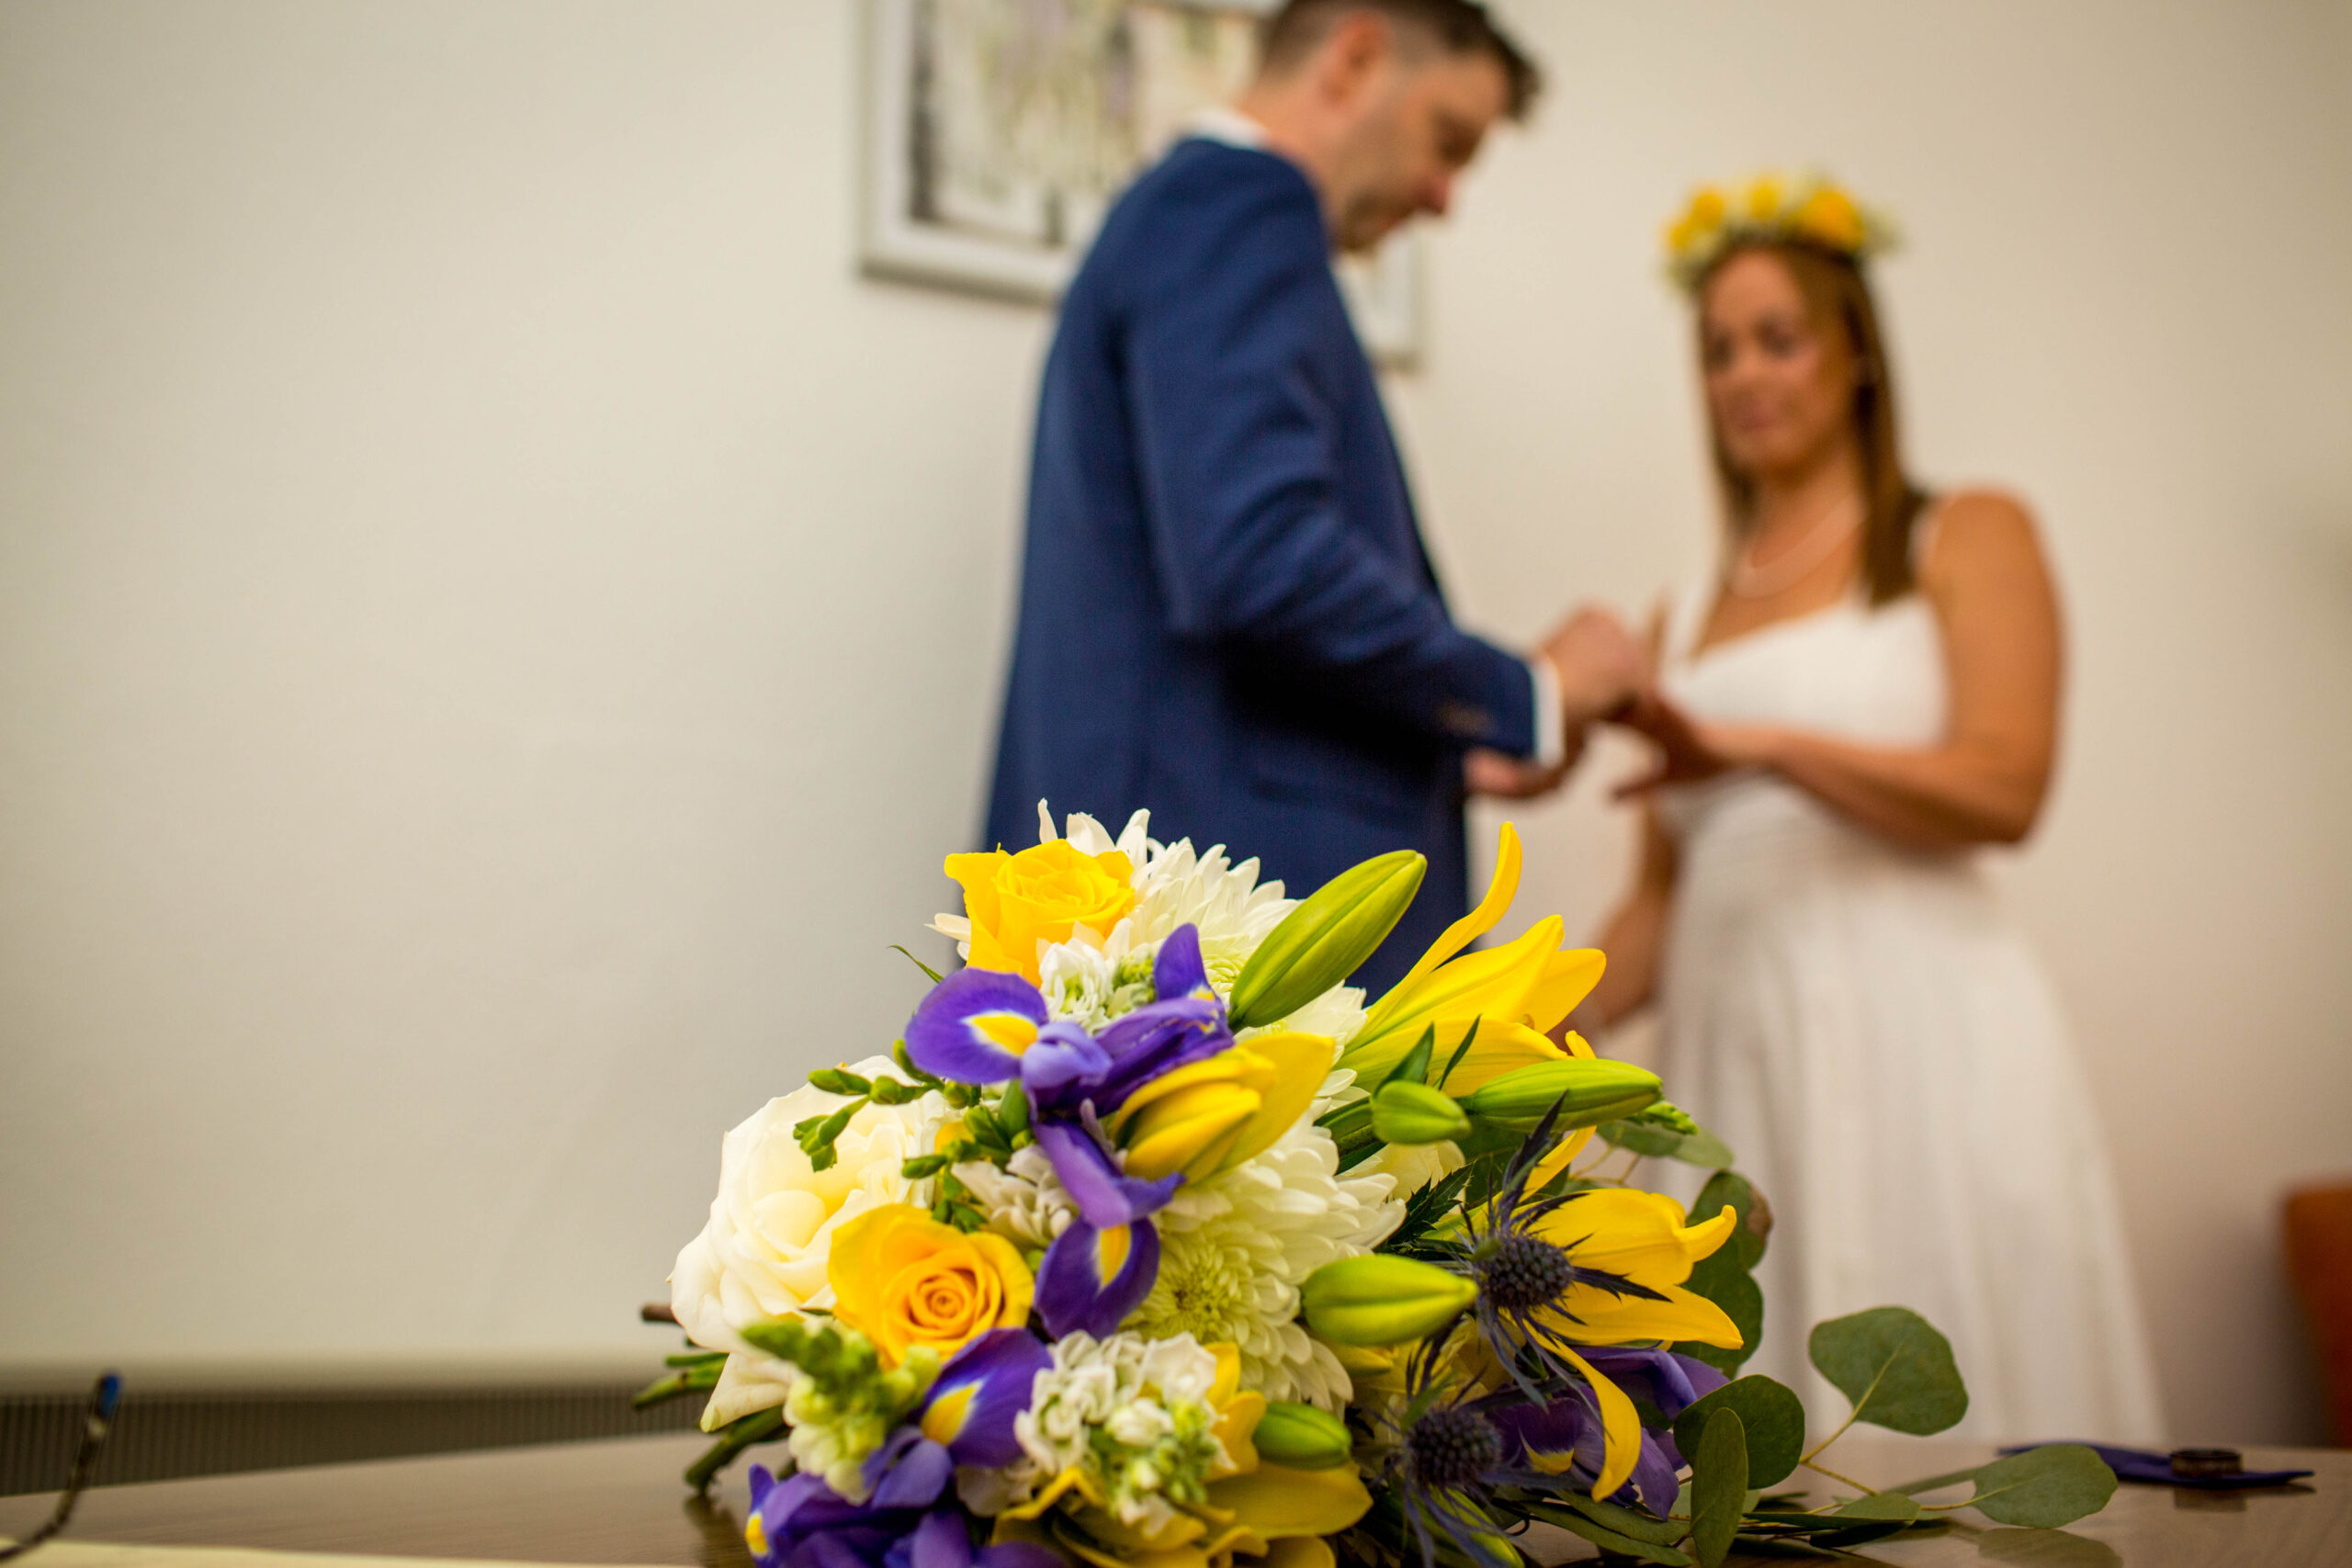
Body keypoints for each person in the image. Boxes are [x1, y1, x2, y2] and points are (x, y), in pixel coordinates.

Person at [1580, 176, 2165, 1441]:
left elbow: (2004, 787)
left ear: (1855, 353)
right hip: (1735, 1053)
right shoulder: (1677, 614)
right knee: (1754, 1409)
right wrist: (1515, 1028)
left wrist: (1769, 744)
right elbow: (1658, 898)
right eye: (1718, 348)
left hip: (1924, 1037)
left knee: (1941, 1378)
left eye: (1777, 336)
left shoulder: (1966, 531)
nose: (1744, 373)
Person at [982, 0, 1641, 991]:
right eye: (1447, 140)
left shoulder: (1184, 217)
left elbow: (1206, 631)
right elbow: (1257, 558)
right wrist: (1527, 693)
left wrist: (1444, 743)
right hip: (1223, 943)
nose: (1442, 196)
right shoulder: (1242, 208)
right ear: (1355, 59)